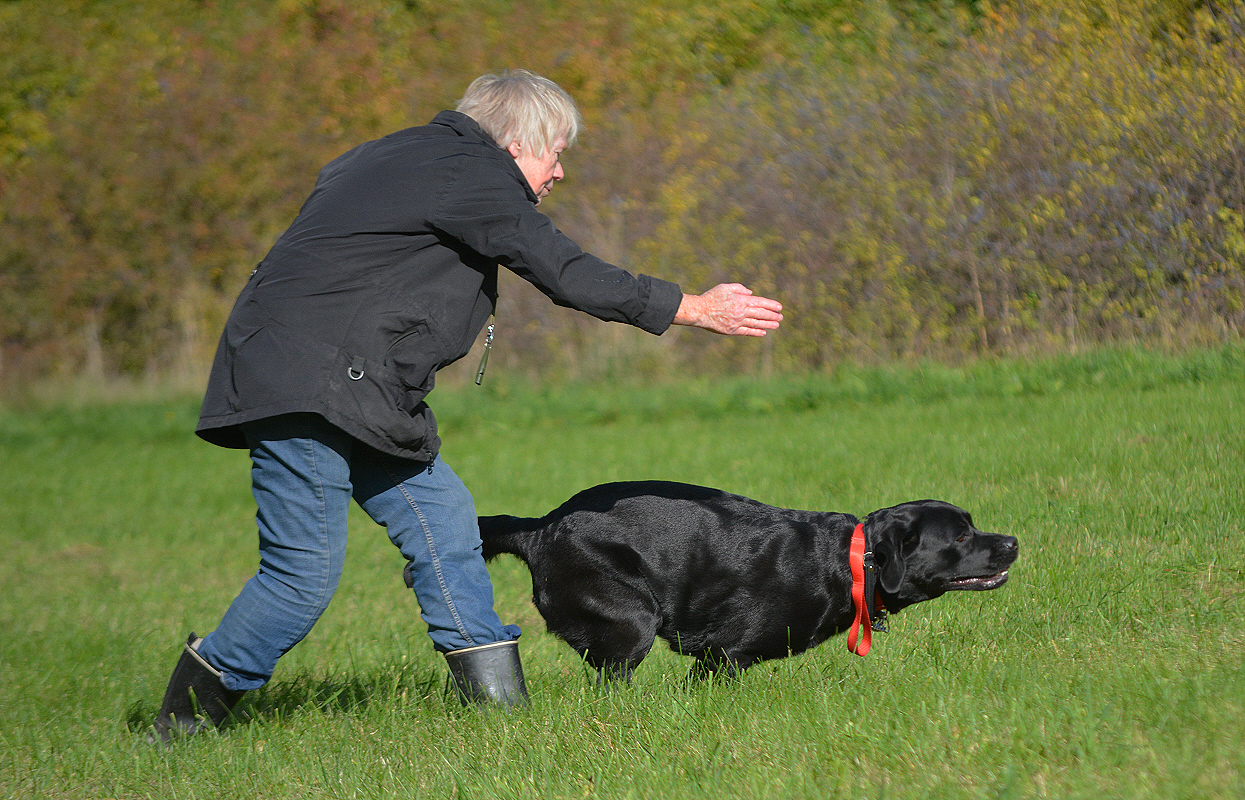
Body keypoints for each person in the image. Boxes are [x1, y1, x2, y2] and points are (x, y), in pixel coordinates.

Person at [150, 69, 782, 742]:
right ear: (517, 142)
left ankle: (499, 723)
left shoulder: (396, 154)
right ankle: (181, 729)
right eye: (556, 152)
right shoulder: (466, 170)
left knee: (446, 530)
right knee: (301, 576)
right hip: (313, 385)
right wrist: (693, 308)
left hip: (358, 386)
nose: (560, 171)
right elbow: (564, 272)